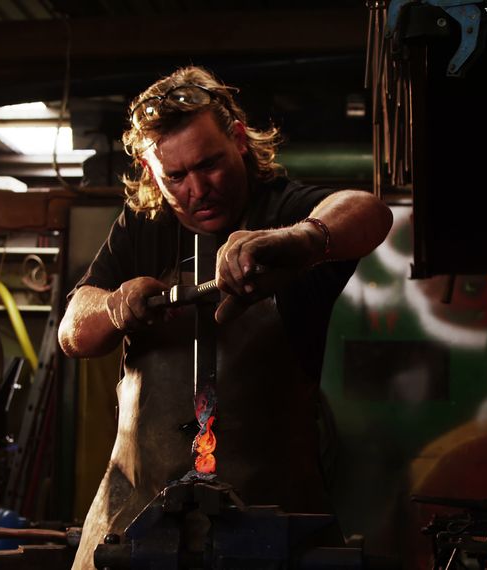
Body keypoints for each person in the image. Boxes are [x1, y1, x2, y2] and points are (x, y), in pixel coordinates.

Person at [58, 66, 392, 567]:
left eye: (209, 163)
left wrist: (297, 241)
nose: (198, 188)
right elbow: (71, 332)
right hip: (134, 530)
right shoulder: (140, 230)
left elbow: (368, 212)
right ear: (153, 173)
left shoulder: (283, 207)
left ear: (238, 139)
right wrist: (113, 306)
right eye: (176, 176)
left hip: (270, 531)